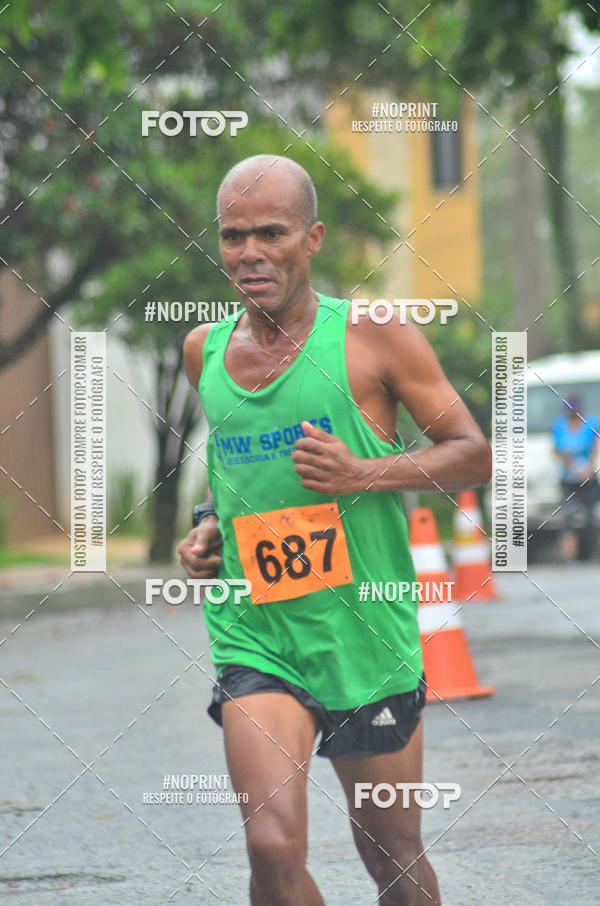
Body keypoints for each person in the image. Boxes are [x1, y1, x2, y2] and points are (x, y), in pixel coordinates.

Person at [178, 154, 492, 906]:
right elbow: (235, 464)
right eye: (233, 237)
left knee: (391, 853)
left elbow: (471, 453)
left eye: (271, 234)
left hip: (366, 635)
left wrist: (363, 475)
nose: (250, 254)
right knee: (271, 845)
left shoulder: (376, 337)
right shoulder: (204, 352)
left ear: (312, 238)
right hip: (257, 632)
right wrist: (209, 526)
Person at [552, 396, 599, 562]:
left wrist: (591, 467)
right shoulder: (560, 426)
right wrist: (572, 465)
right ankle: (569, 557)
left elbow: (596, 446)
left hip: (589, 477)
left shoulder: (592, 423)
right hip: (568, 478)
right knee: (567, 517)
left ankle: (594, 554)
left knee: (592, 516)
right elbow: (557, 449)